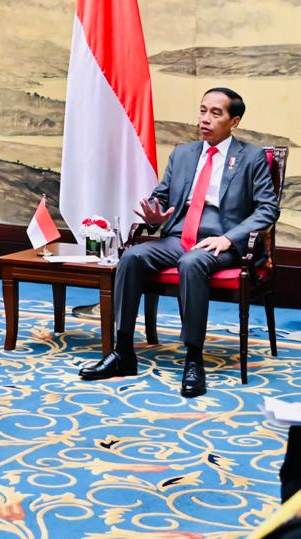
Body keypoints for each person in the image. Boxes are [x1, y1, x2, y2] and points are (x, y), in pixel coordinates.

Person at [79, 88, 279, 397]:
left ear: (234, 121)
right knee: (131, 258)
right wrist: (154, 216)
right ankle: (123, 351)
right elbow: (162, 197)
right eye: (202, 110)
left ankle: (193, 358)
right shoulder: (183, 154)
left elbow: (268, 208)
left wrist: (228, 239)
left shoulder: (250, 157)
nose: (205, 119)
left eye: (216, 113)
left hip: (219, 242)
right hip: (177, 236)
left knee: (192, 262)